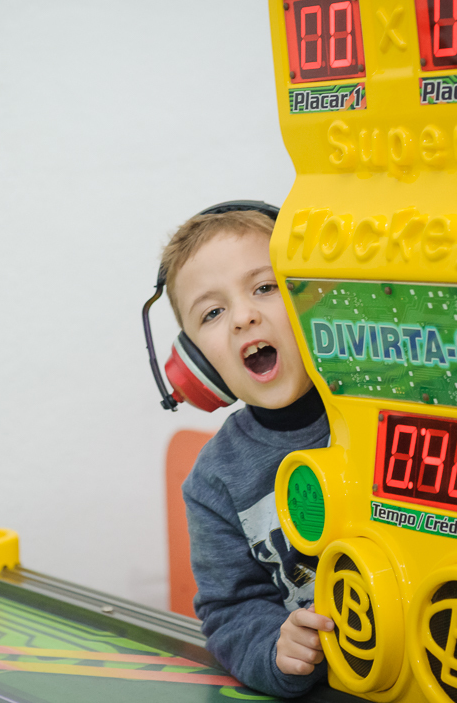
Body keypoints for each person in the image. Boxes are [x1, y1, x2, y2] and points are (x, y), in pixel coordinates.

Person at [164, 208, 335, 698]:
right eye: (212, 313)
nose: (243, 317)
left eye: (265, 287)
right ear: (197, 365)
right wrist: (276, 648)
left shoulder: (396, 408)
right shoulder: (214, 481)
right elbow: (231, 610)